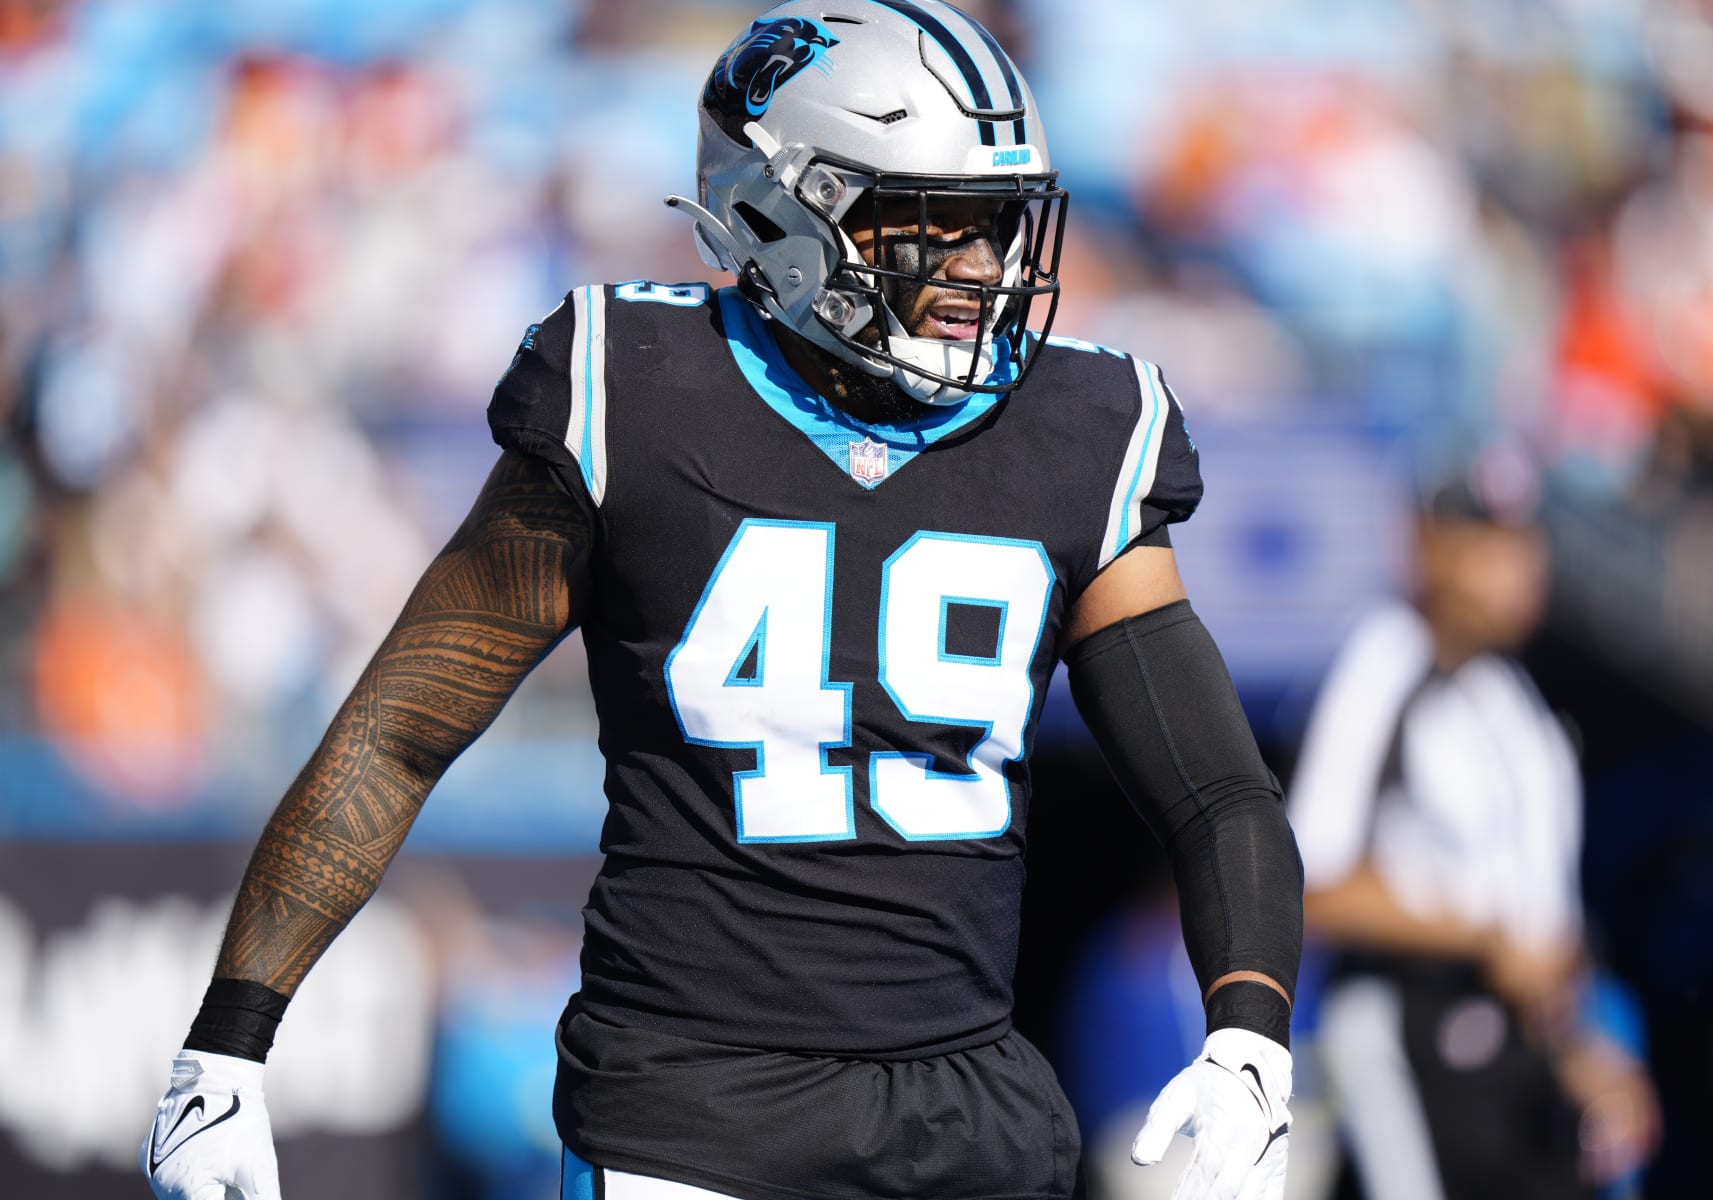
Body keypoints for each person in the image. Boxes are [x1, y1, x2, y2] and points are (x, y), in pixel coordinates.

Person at [141, 4, 1304, 1198]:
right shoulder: (633, 389)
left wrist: (1251, 1039)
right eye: (930, 222)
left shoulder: (1077, 428)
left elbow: (1216, 789)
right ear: (782, 212)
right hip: (691, 1114)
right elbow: (403, 728)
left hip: (962, 1113)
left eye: (997, 224)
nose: (981, 267)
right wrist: (226, 1046)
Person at [1285, 450, 1659, 1200]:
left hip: (1527, 1049)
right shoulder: (1387, 661)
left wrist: (1591, 1047)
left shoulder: (1513, 697)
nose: (1515, 564)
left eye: (1524, 540)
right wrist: (1483, 935)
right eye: (1485, 539)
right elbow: (1307, 885)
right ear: (1427, 543)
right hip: (1415, 1031)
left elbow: (1544, 919)